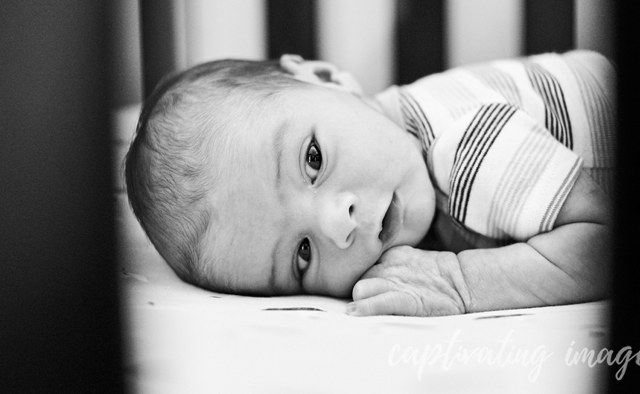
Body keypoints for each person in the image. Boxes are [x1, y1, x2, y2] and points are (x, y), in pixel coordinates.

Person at [125, 51, 615, 316]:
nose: (338, 225)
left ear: (327, 78)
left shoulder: (463, 143)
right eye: (302, 255)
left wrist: (463, 283)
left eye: (312, 159)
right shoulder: (405, 175)